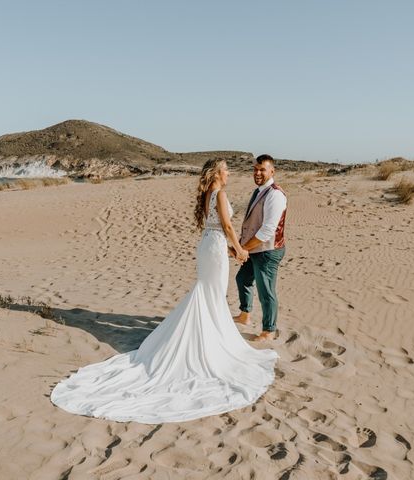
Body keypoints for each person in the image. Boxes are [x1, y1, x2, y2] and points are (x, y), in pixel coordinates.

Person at [50, 159, 279, 423]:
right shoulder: (220, 193)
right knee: (211, 294)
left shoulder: (208, 193)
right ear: (217, 173)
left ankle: (211, 335)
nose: (229, 173)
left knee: (208, 294)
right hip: (215, 247)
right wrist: (239, 249)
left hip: (208, 245)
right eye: (226, 169)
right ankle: (210, 343)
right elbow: (227, 226)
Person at [232, 154, 287, 341]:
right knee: (242, 279)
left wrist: (243, 248)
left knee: (266, 291)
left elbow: (268, 230)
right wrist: (242, 245)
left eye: (262, 169)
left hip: (268, 251)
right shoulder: (258, 192)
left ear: (272, 171)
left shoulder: (275, 194)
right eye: (255, 169)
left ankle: (269, 330)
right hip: (253, 248)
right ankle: (245, 315)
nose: (257, 173)